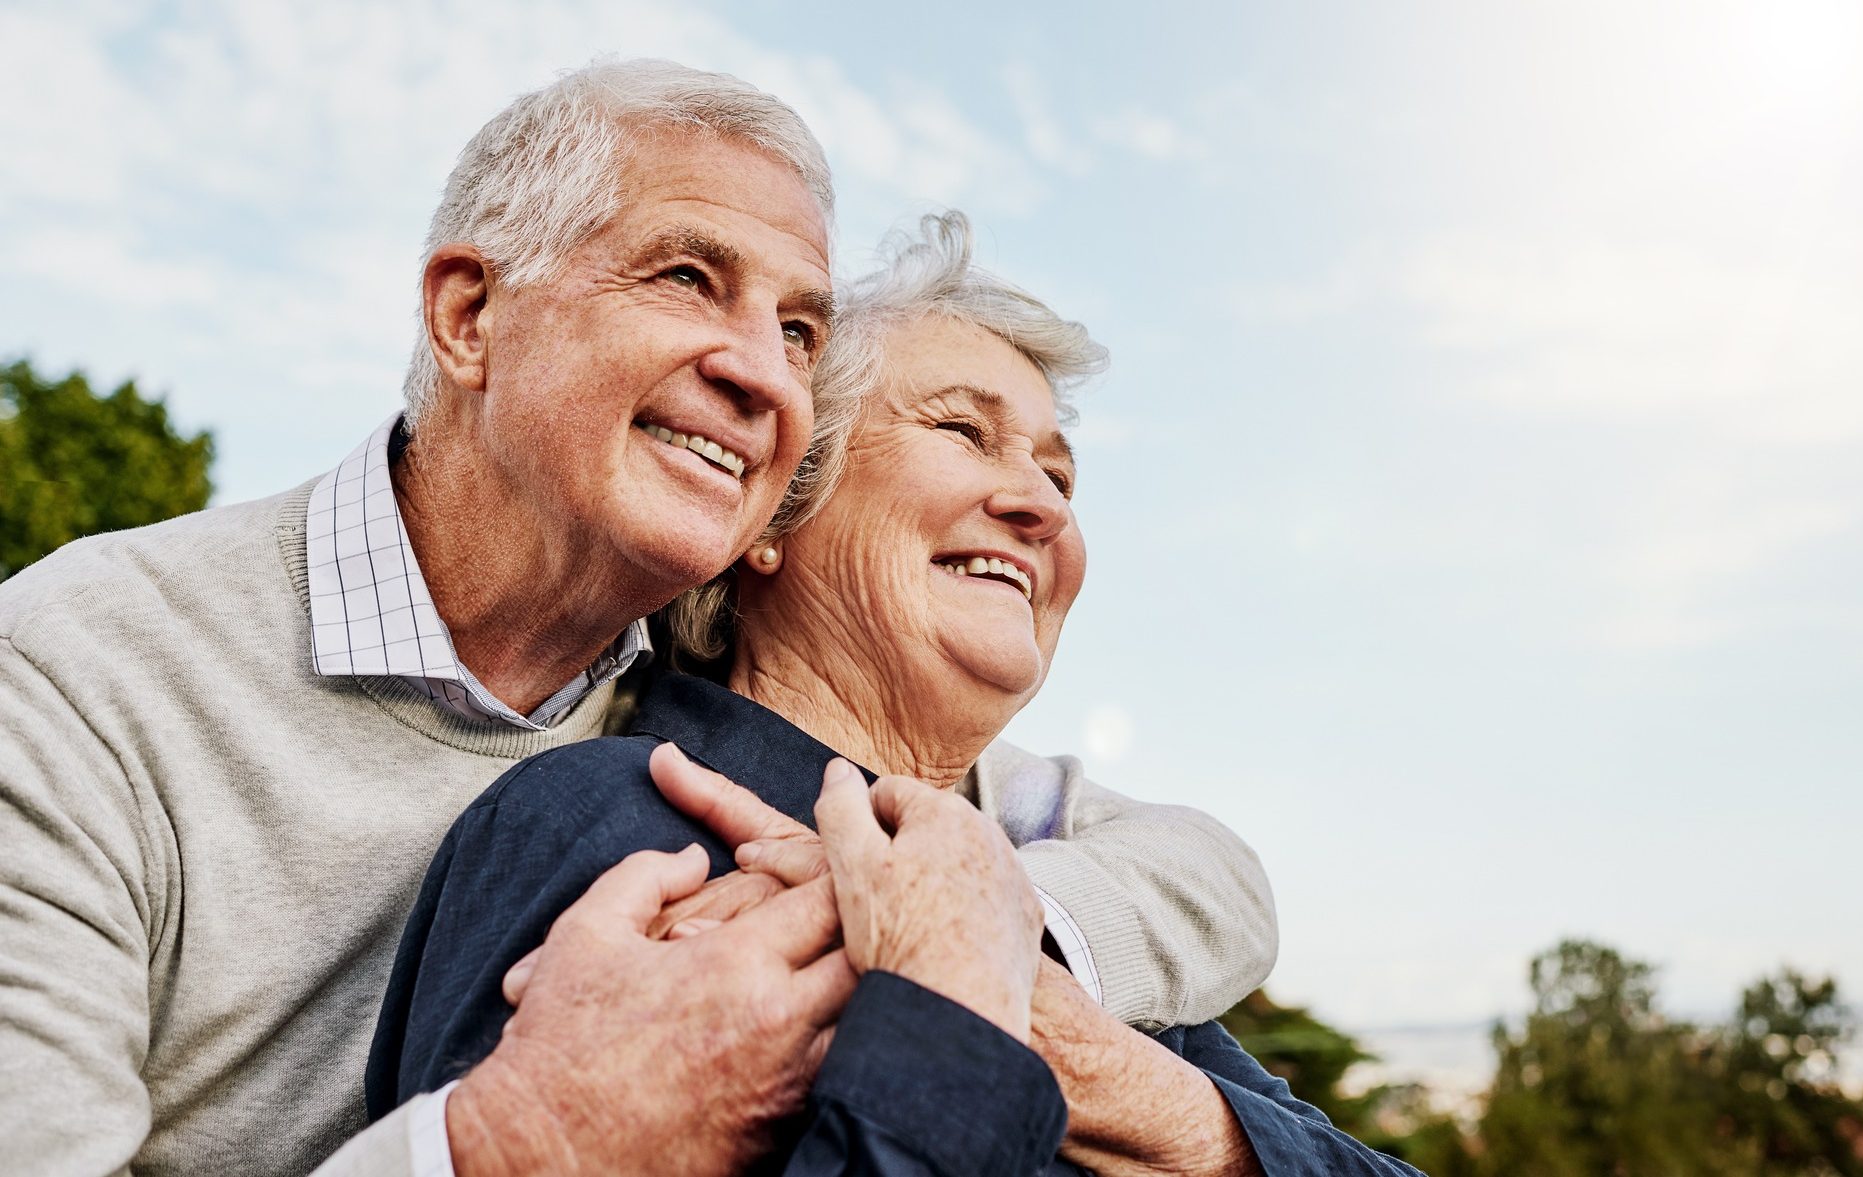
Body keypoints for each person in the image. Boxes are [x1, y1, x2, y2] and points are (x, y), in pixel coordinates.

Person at [0, 62, 1273, 1177]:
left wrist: (985, 933)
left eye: (796, 328)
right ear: (468, 315)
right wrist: (512, 1144)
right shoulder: (73, 677)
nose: (761, 372)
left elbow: (1191, 868)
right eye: (685, 276)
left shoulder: (706, 697)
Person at [369, 214, 1424, 1175]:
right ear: (772, 515)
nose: (1039, 508)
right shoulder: (607, 830)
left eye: (1060, 478)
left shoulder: (1048, 919)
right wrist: (949, 1015)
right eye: (962, 432)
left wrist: (1142, 1097)